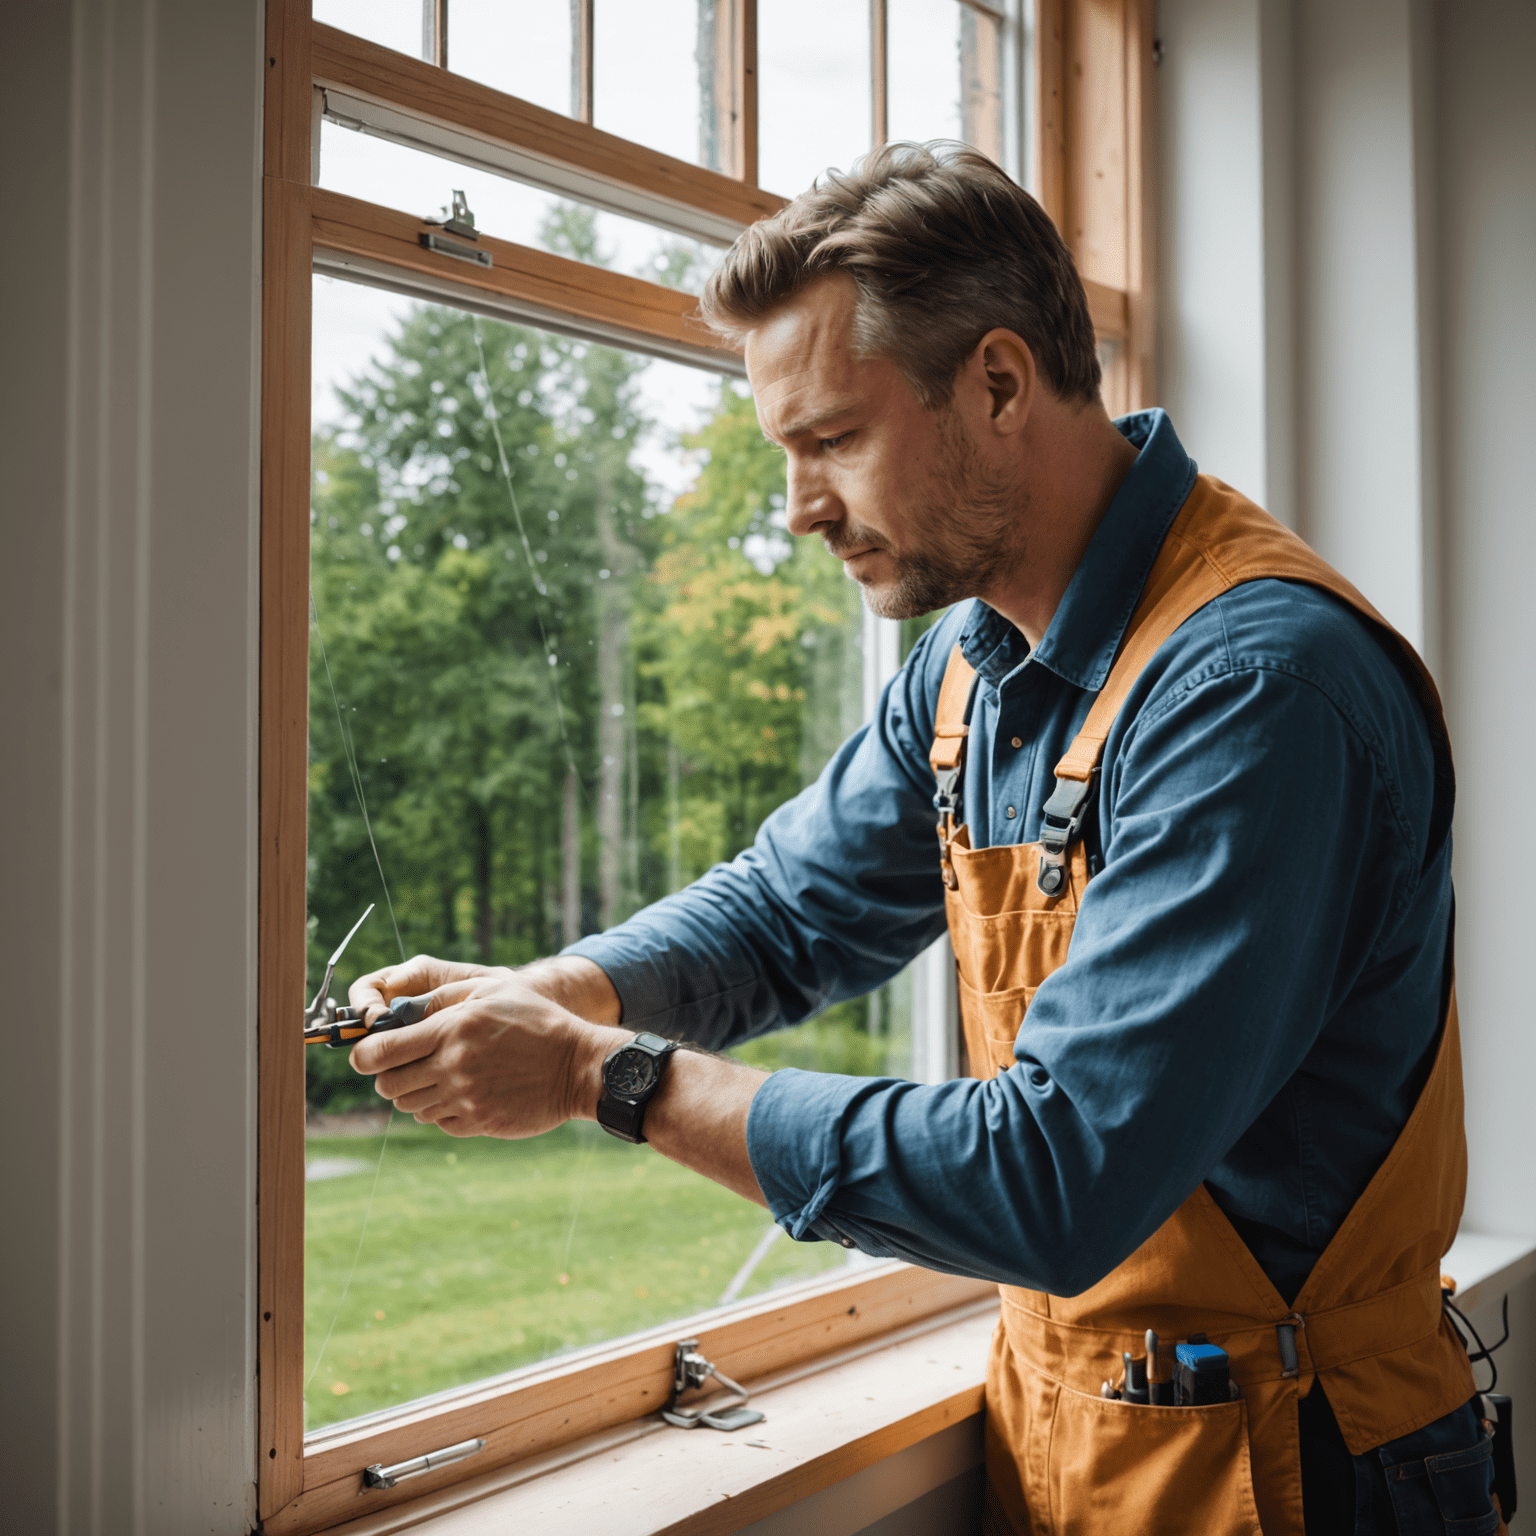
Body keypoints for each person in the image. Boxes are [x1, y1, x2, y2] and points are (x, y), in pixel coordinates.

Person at [347, 144, 1501, 1535]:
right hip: (1079, 1427)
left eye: (832, 439)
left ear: (1001, 384)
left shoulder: (1254, 692)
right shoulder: (970, 662)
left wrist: (607, 1076)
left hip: (1307, 1466)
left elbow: (1058, 1175)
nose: (798, 508)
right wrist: (550, 995)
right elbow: (786, 912)